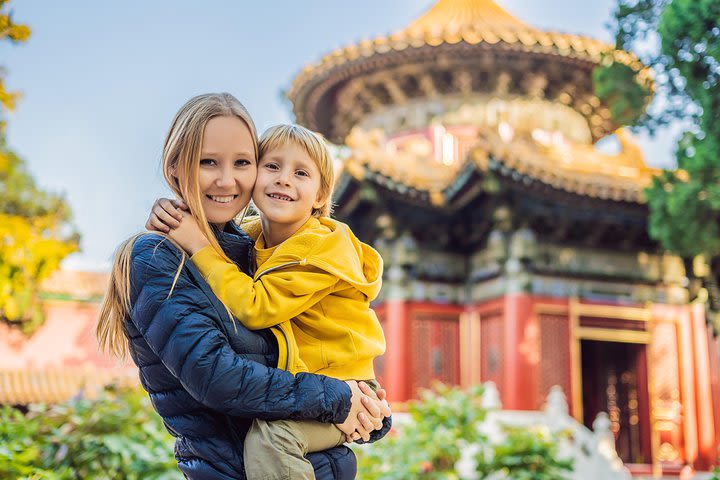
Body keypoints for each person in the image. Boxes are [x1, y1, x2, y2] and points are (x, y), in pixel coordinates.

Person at [96, 93, 390, 480]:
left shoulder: (251, 250)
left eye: (241, 163)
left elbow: (315, 359)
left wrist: (368, 409)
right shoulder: (157, 257)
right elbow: (218, 378)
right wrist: (339, 399)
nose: (226, 180)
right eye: (207, 163)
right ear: (175, 168)